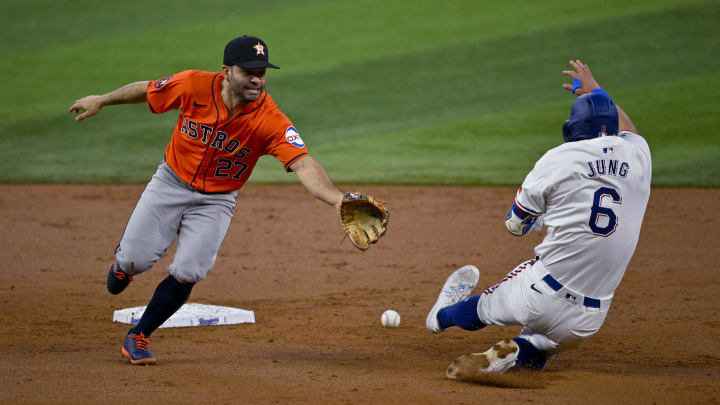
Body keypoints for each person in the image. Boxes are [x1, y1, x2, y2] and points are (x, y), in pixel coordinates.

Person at [69, 35, 387, 365]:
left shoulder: (270, 119)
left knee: (189, 270)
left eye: (261, 73)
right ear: (226, 71)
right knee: (136, 259)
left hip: (217, 200)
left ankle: (139, 335)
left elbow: (303, 162)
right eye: (248, 71)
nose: (256, 79)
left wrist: (336, 199)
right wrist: (102, 100)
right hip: (170, 183)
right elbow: (147, 89)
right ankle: (125, 266)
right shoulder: (193, 84)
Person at [425, 60, 652, 377]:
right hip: (590, 320)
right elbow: (629, 130)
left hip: (538, 295)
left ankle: (440, 316)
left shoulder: (559, 158)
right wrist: (598, 91)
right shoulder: (640, 155)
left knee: (487, 304)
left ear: (576, 127)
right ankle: (521, 354)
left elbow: (515, 226)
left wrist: (536, 217)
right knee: (543, 343)